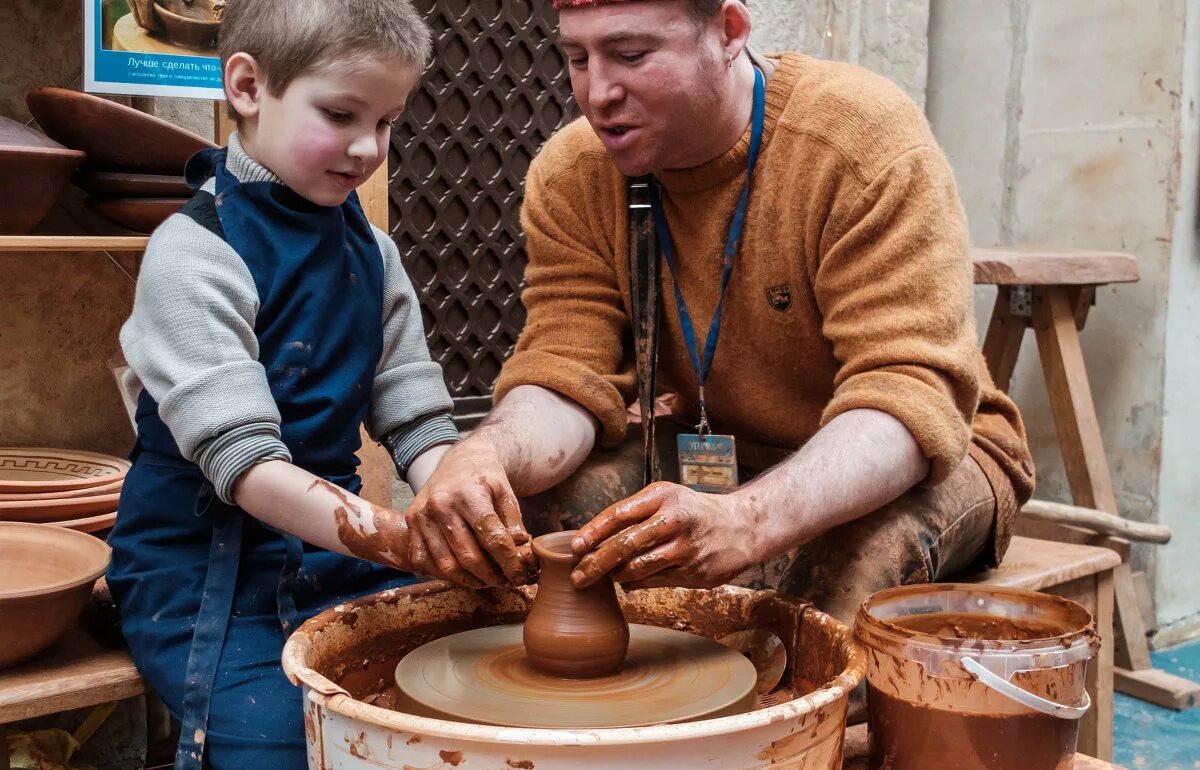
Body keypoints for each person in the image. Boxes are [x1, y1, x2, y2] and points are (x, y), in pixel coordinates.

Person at [406, 0, 1035, 627]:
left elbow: (905, 394)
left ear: (729, 32)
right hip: (718, 446)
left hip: (920, 456)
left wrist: (749, 519)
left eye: (631, 55)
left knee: (845, 567)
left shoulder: (861, 144)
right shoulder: (574, 175)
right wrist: (487, 454)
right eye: (576, 58)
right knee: (517, 530)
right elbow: (568, 371)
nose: (598, 93)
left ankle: (788, 724)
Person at [106, 1, 533, 766]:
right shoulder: (192, 255)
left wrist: (463, 513)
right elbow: (248, 468)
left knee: (463, 686)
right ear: (246, 86)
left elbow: (419, 424)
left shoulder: (373, 252)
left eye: (388, 121)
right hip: (202, 568)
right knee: (280, 740)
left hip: (331, 554)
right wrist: (409, 542)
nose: (368, 148)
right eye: (341, 115)